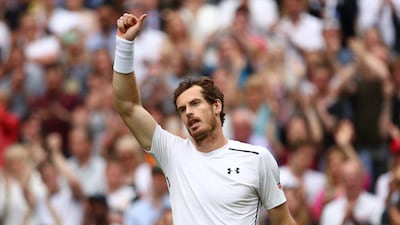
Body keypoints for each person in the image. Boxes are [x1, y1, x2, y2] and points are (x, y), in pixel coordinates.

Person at [112, 12, 296, 225]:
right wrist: (124, 45)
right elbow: (127, 106)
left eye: (195, 104)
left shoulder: (257, 159)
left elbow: (283, 221)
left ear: (216, 105)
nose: (188, 112)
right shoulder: (173, 154)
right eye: (182, 109)